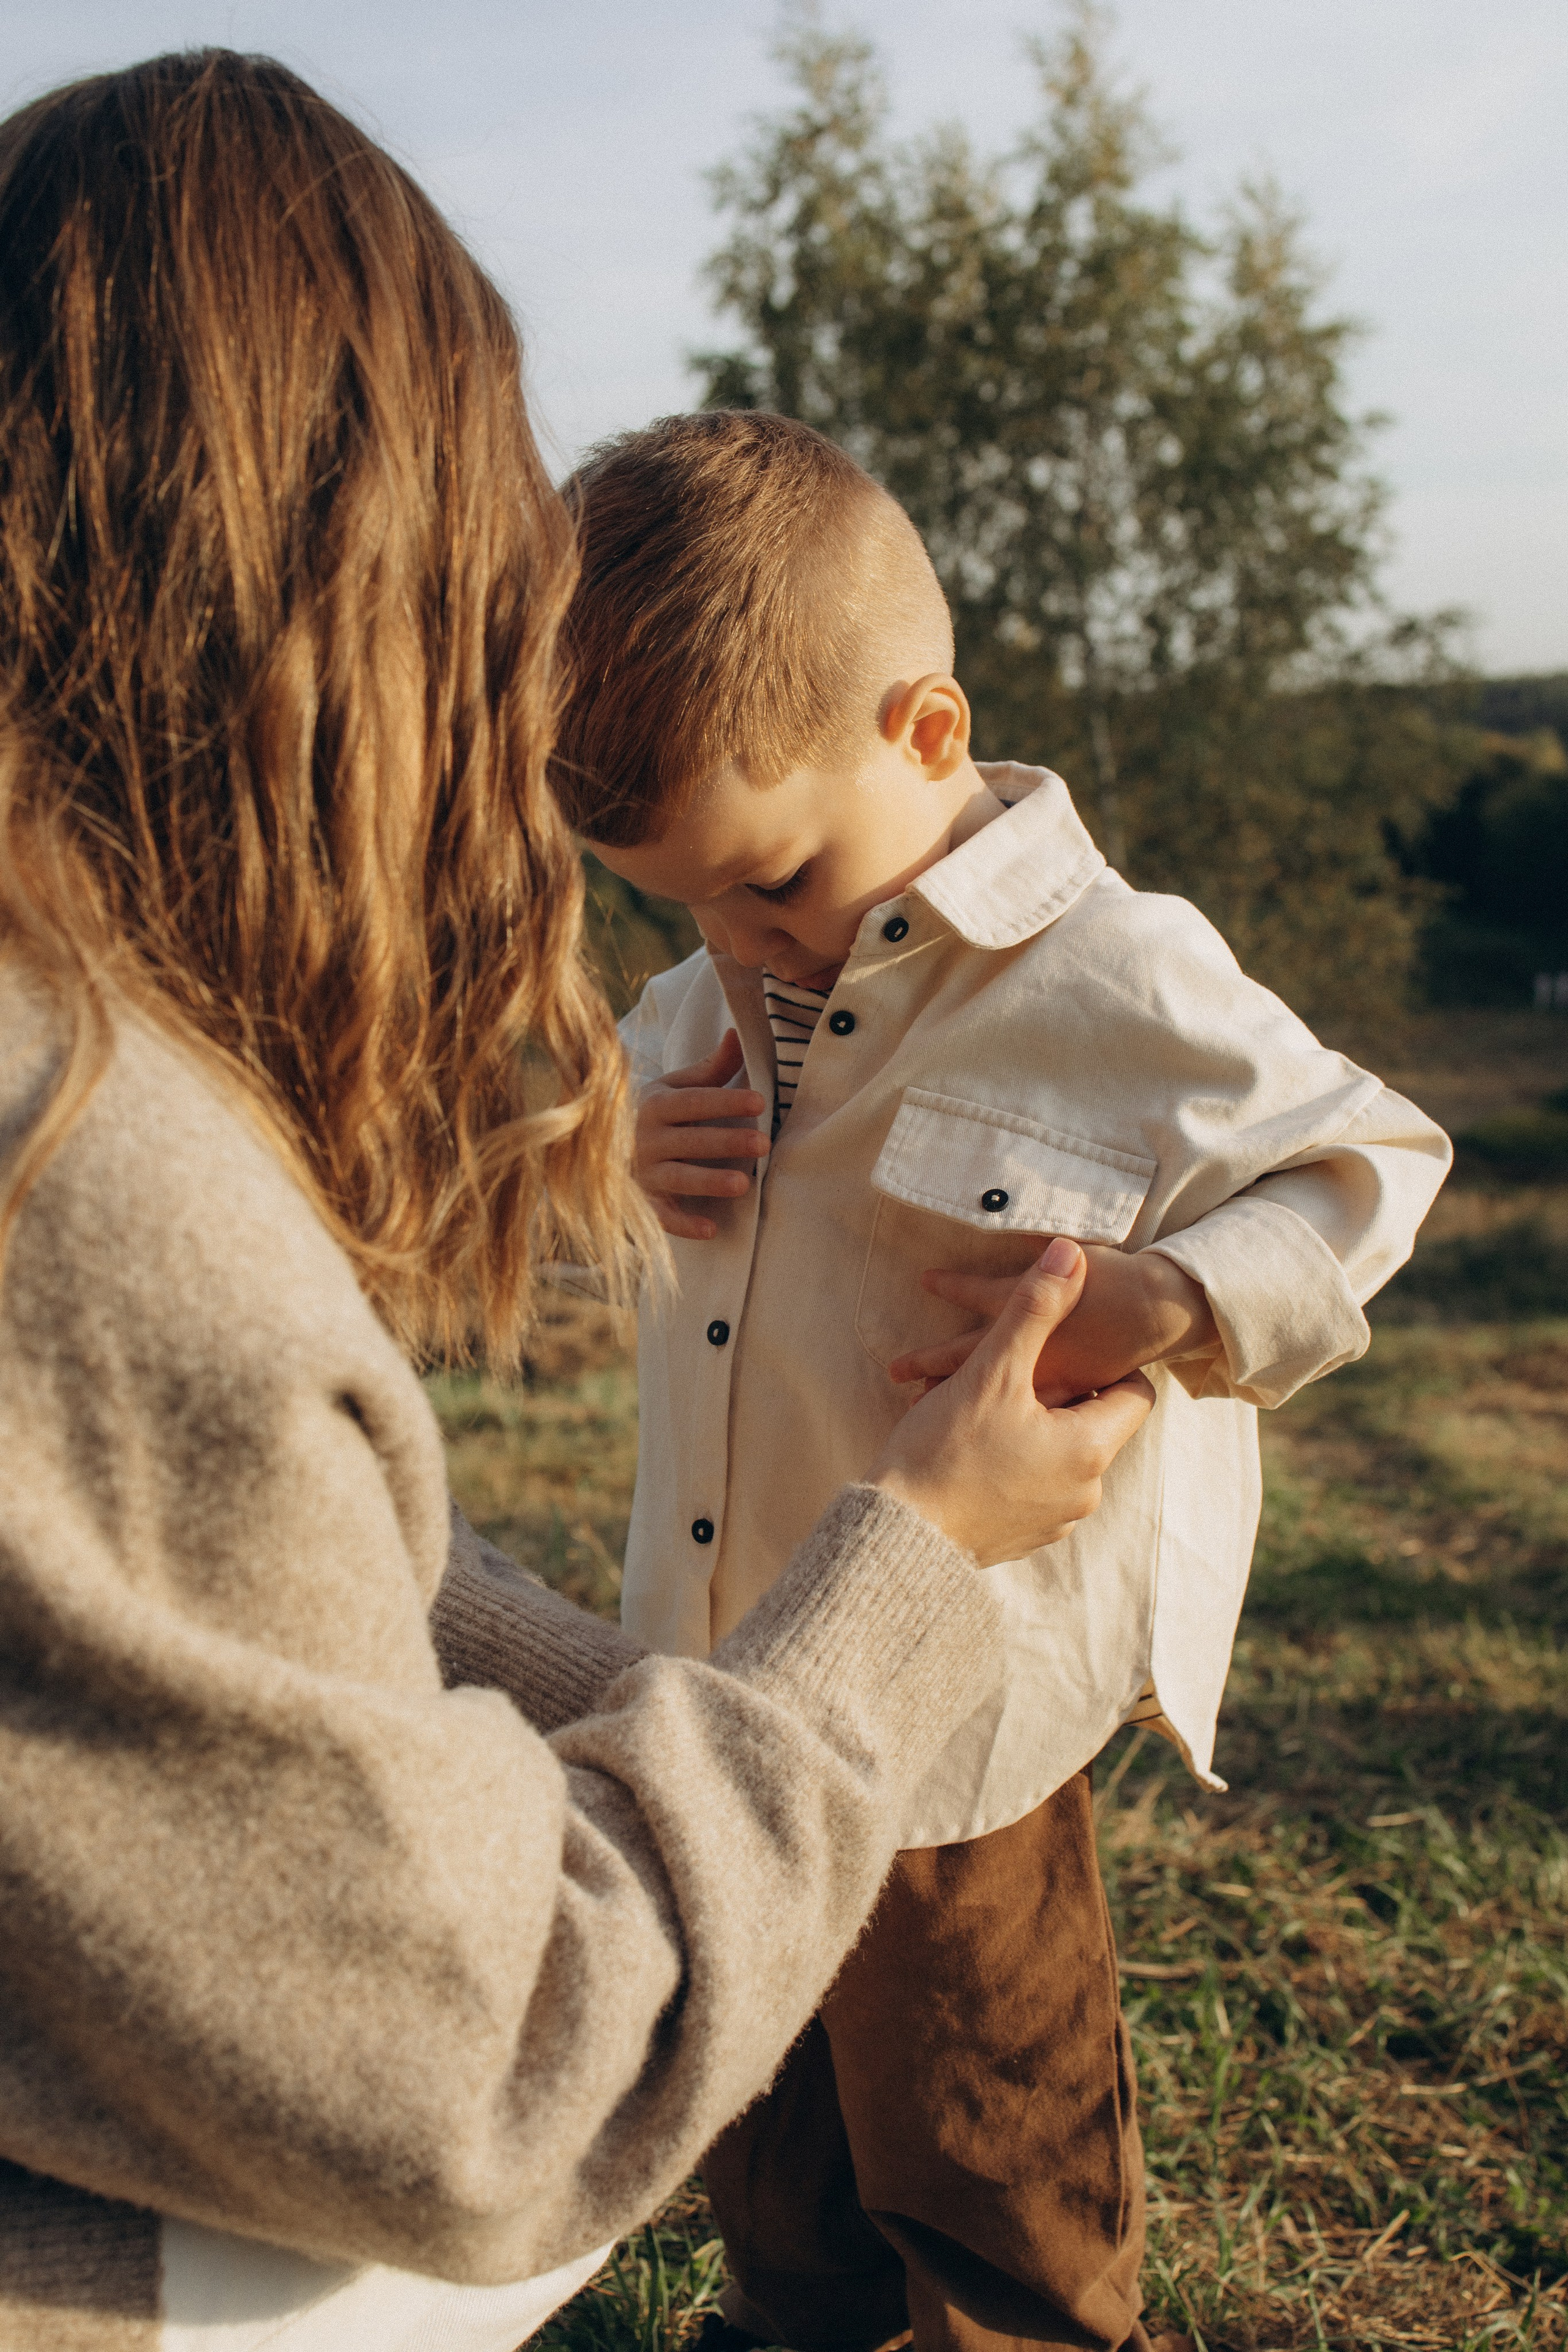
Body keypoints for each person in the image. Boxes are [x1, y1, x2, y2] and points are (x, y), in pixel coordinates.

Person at [0, 53, 1161, 2352]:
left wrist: (656, 1696)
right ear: (375, 588)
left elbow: (146, 1574)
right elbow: (499, 2074)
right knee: (609, 2165)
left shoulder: (67, 1078)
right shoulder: (85, 1170)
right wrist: (899, 1584)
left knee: (983, 2129)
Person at [550, 410, 1454, 2352]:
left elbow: (1372, 1162)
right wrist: (598, 1160)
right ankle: (793, 2318)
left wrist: (1173, 1296)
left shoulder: (1113, 972)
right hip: (731, 1668)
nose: (736, 945)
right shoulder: (700, 1002)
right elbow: (586, 1225)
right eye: (680, 905)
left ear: (929, 733)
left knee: (979, 2115)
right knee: (760, 2099)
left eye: (774, 884)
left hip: (964, 1703)